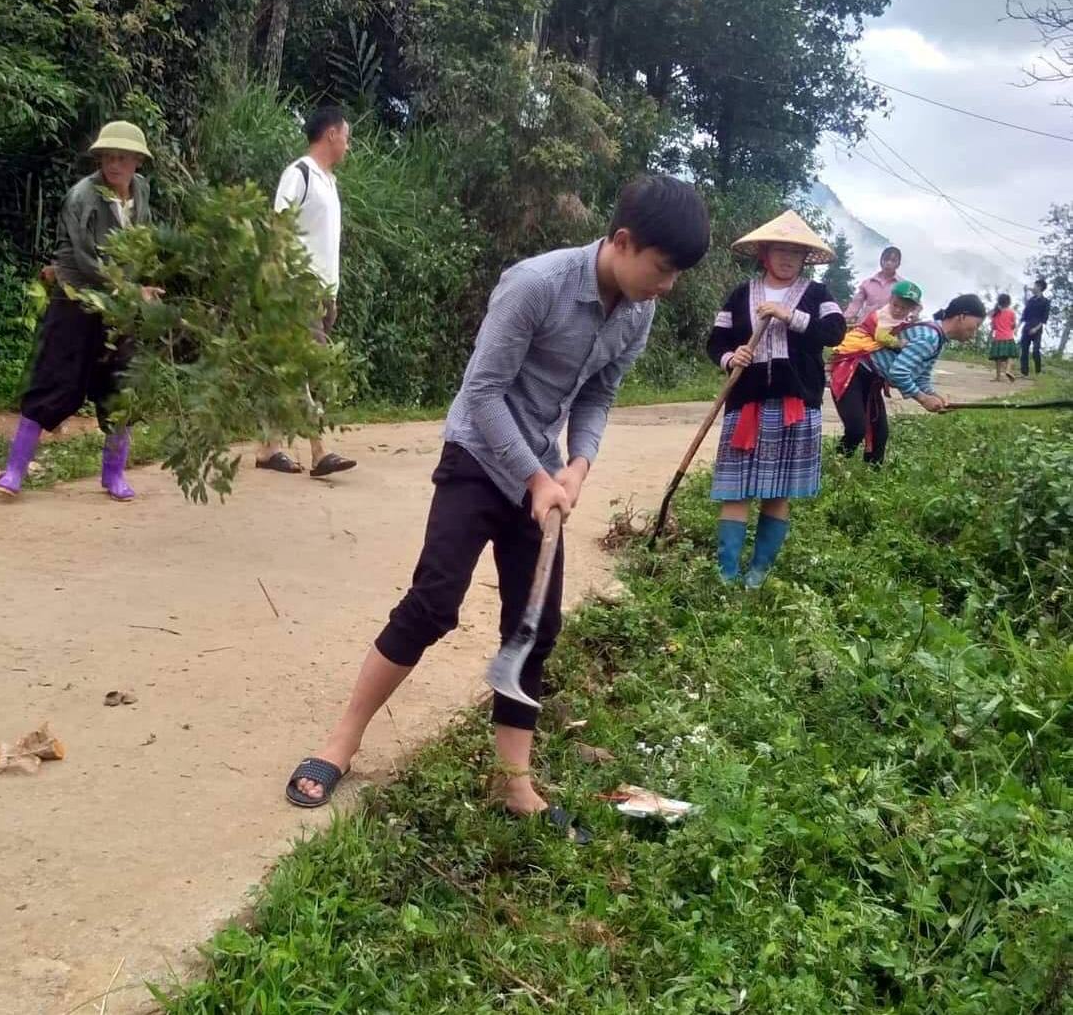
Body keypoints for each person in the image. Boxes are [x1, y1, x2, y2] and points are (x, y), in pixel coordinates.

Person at [283, 176, 712, 834]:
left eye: (676, 275)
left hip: (542, 471)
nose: (666, 286)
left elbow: (597, 395)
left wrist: (575, 466)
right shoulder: (534, 285)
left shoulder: (636, 309)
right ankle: (342, 741)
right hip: (478, 458)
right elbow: (481, 395)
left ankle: (513, 782)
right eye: (661, 268)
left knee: (533, 627)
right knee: (431, 604)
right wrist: (534, 479)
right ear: (623, 242)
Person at [0, 121, 162, 502]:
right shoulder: (81, 196)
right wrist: (131, 288)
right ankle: (14, 471)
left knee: (120, 387)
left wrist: (141, 286)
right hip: (76, 297)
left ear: (137, 161)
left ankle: (114, 475)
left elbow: (142, 244)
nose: (113, 165)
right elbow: (85, 259)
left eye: (122, 158)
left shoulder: (142, 193)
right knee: (54, 379)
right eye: (107, 158)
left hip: (120, 306)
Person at [706, 211, 847, 588]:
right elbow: (715, 342)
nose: (787, 258)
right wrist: (729, 358)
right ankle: (726, 575)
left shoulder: (817, 295)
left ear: (805, 260)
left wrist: (789, 316)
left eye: (795, 253)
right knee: (736, 489)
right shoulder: (741, 294)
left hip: (795, 404)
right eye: (779, 250)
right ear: (764, 254)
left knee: (778, 490)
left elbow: (834, 333)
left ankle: (758, 575)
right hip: (746, 403)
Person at [255, 105, 357, 478]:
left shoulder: (329, 182)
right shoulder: (299, 174)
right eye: (346, 135)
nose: (347, 144)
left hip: (323, 293)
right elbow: (279, 226)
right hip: (299, 288)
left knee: (291, 370)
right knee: (308, 366)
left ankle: (268, 447)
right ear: (331, 134)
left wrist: (332, 293)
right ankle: (319, 449)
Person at [833, 294, 987, 464]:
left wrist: (934, 396)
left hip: (870, 379)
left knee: (879, 435)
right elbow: (898, 373)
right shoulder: (929, 338)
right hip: (852, 372)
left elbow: (922, 376)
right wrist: (923, 399)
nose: (975, 333)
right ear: (962, 317)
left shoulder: (937, 338)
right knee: (856, 429)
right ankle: (833, 467)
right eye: (976, 326)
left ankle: (868, 476)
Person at [845, 246, 905, 324]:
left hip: (890, 328)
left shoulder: (903, 286)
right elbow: (856, 303)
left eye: (893, 261)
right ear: (881, 261)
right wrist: (846, 318)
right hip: (865, 326)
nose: (888, 263)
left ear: (898, 264)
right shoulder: (867, 283)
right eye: (886, 259)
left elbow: (914, 304)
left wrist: (913, 315)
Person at [1020, 279, 1051, 377]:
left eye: (1035, 286)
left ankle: (1038, 372)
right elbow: (1026, 306)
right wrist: (1025, 292)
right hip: (1027, 327)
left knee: (1036, 350)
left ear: (1040, 287)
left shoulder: (1046, 302)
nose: (1033, 287)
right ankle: (1024, 373)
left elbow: (1044, 318)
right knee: (1024, 350)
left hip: (1037, 329)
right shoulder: (1031, 300)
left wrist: (1036, 329)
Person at [989, 293, 1018, 383]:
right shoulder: (1011, 312)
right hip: (1008, 337)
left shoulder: (995, 313)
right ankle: (1008, 370)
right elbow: (1013, 326)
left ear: (999, 302)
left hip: (998, 338)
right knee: (1011, 356)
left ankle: (998, 377)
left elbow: (993, 327)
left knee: (998, 358)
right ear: (1009, 302)